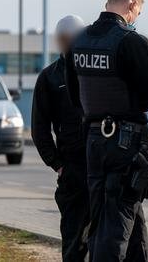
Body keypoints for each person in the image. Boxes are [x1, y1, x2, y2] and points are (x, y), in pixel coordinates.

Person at [65, 0, 148, 261]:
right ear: (132, 4)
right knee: (118, 223)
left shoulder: (79, 41)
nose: (137, 18)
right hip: (126, 143)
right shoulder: (130, 41)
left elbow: (75, 97)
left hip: (94, 140)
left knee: (111, 217)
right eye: (139, 12)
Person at [31, 15, 89, 261]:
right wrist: (57, 163)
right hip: (73, 169)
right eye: (63, 39)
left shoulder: (97, 70)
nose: (67, 44)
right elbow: (39, 126)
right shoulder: (50, 77)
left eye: (71, 38)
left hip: (103, 161)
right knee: (74, 239)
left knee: (111, 238)